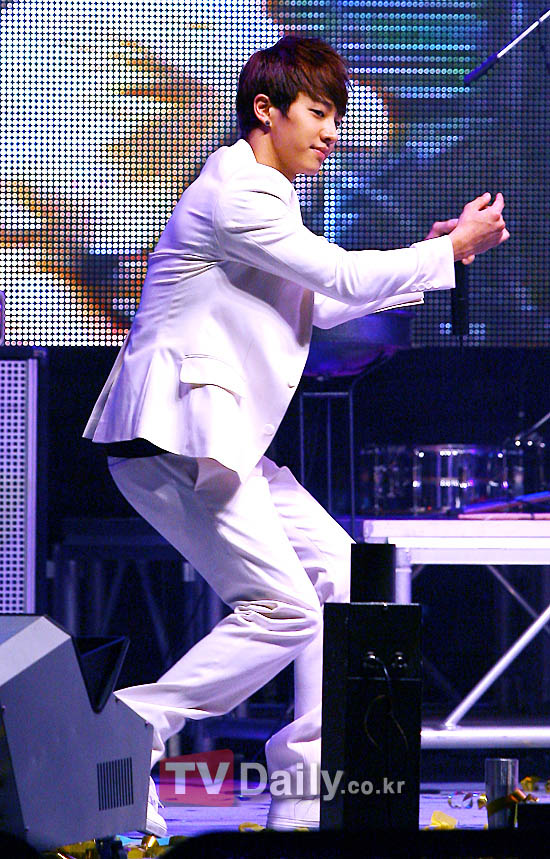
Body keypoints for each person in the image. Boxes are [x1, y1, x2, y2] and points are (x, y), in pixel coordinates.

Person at [84, 35, 509, 834]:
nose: (333, 132)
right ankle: (132, 725)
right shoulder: (238, 192)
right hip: (176, 436)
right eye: (318, 112)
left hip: (217, 441)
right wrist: (446, 251)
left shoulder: (267, 197)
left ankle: (304, 792)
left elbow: (323, 301)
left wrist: (432, 256)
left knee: (342, 580)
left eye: (336, 116)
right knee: (284, 609)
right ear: (265, 110)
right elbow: (340, 276)